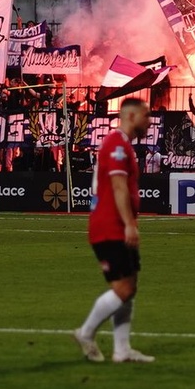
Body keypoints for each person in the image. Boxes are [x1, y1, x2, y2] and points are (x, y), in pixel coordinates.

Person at [73, 96, 155, 363]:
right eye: (146, 115)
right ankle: (86, 333)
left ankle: (122, 350)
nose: (149, 120)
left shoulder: (124, 146)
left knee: (129, 286)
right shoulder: (116, 143)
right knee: (123, 288)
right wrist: (130, 224)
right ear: (131, 116)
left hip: (118, 225)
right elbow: (119, 186)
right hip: (109, 226)